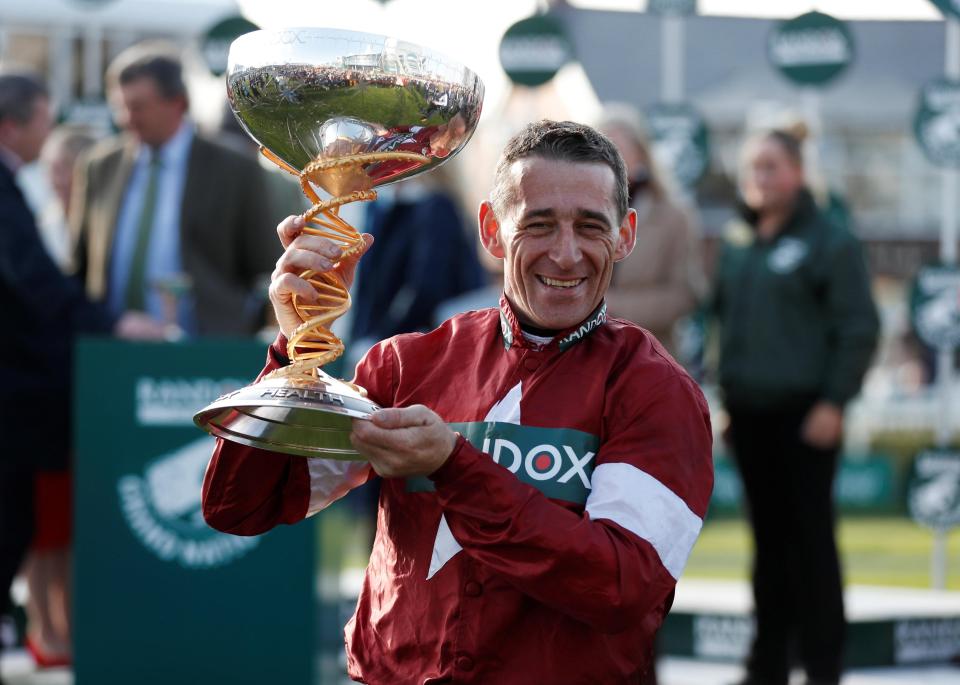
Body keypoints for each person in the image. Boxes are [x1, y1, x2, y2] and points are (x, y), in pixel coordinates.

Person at [202, 120, 714, 684]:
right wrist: (295, 348)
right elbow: (240, 506)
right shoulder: (406, 364)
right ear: (491, 232)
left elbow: (619, 587)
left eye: (590, 227)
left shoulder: (657, 390)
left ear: (625, 236)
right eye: (538, 225)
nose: (566, 255)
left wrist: (453, 465)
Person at [0, 73, 163, 682]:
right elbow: (36, 286)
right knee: (17, 524)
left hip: (28, 395)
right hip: (19, 399)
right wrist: (113, 321)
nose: (51, 132)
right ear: (14, 125)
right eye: (45, 118)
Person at [710, 129, 879, 685]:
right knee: (768, 548)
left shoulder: (831, 240)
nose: (760, 176)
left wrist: (834, 401)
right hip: (751, 418)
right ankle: (768, 666)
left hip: (807, 417)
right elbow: (723, 329)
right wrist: (726, 401)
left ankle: (825, 667)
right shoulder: (737, 241)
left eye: (771, 166)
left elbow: (859, 329)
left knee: (811, 547)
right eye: (751, 167)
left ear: (798, 173)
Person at [69, 43, 280, 336]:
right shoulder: (99, 166)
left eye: (138, 107)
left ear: (178, 103)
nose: (126, 119)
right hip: (113, 351)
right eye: (120, 106)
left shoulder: (234, 170)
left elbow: (264, 266)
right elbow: (79, 265)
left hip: (203, 358)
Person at [597, 105, 705, 357]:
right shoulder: (577, 212)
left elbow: (686, 294)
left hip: (648, 356)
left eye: (620, 152)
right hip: (586, 357)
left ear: (641, 155)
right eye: (601, 153)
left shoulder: (673, 215)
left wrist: (610, 308)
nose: (612, 162)